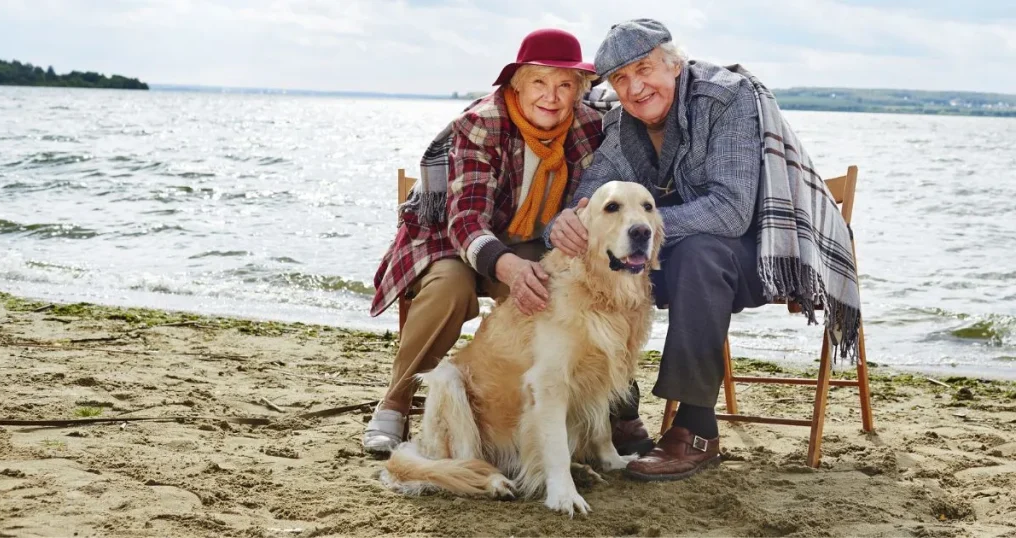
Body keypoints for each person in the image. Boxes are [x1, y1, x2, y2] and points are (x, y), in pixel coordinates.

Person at [546, 19, 861, 481]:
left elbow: (731, 211)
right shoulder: (621, 123)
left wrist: (633, 228)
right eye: (620, 79)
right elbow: (591, 194)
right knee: (600, 262)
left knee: (694, 252)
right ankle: (620, 407)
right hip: (675, 255)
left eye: (644, 69)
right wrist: (566, 223)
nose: (634, 88)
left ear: (673, 64)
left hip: (757, 254)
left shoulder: (726, 98)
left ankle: (696, 428)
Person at [365, 28, 653, 457]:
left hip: (537, 244)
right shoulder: (481, 124)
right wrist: (509, 268)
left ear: (579, 91)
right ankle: (396, 402)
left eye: (564, 85)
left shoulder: (591, 127)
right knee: (449, 287)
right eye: (539, 82)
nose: (551, 97)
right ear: (517, 84)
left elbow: (627, 127)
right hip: (456, 241)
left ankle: (617, 408)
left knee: (592, 283)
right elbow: (464, 222)